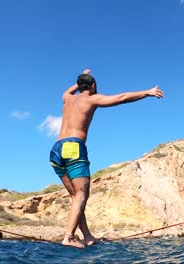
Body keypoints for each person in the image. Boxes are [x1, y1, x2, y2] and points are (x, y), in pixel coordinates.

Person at [49, 69, 164, 248]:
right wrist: (146, 93)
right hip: (73, 146)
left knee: (76, 196)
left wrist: (80, 78)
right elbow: (122, 97)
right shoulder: (92, 99)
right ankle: (69, 236)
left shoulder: (67, 98)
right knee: (81, 194)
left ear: (79, 86)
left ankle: (87, 236)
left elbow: (68, 91)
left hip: (56, 149)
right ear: (93, 86)